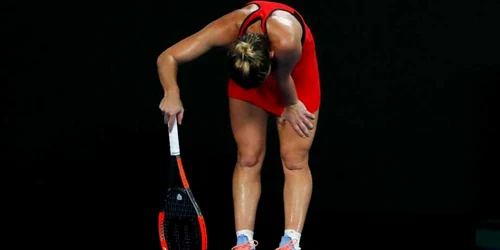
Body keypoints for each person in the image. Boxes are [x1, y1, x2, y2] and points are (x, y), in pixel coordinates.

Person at [157, 1, 321, 249]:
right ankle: (244, 241)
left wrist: (292, 104)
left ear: (271, 56)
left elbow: (283, 76)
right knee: (248, 157)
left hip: (296, 76)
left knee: (294, 159)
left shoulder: (286, 41)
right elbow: (168, 56)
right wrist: (171, 91)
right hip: (251, 73)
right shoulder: (230, 27)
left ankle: (291, 242)